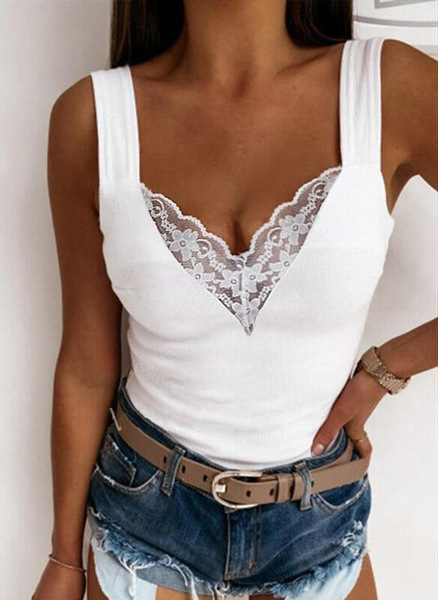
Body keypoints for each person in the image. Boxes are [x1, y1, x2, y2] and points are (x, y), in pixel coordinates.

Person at [32, 1, 437, 599]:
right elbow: (87, 365)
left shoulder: (390, 87)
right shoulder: (92, 117)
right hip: (144, 524)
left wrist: (390, 366)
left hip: (321, 533)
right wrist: (65, 559)